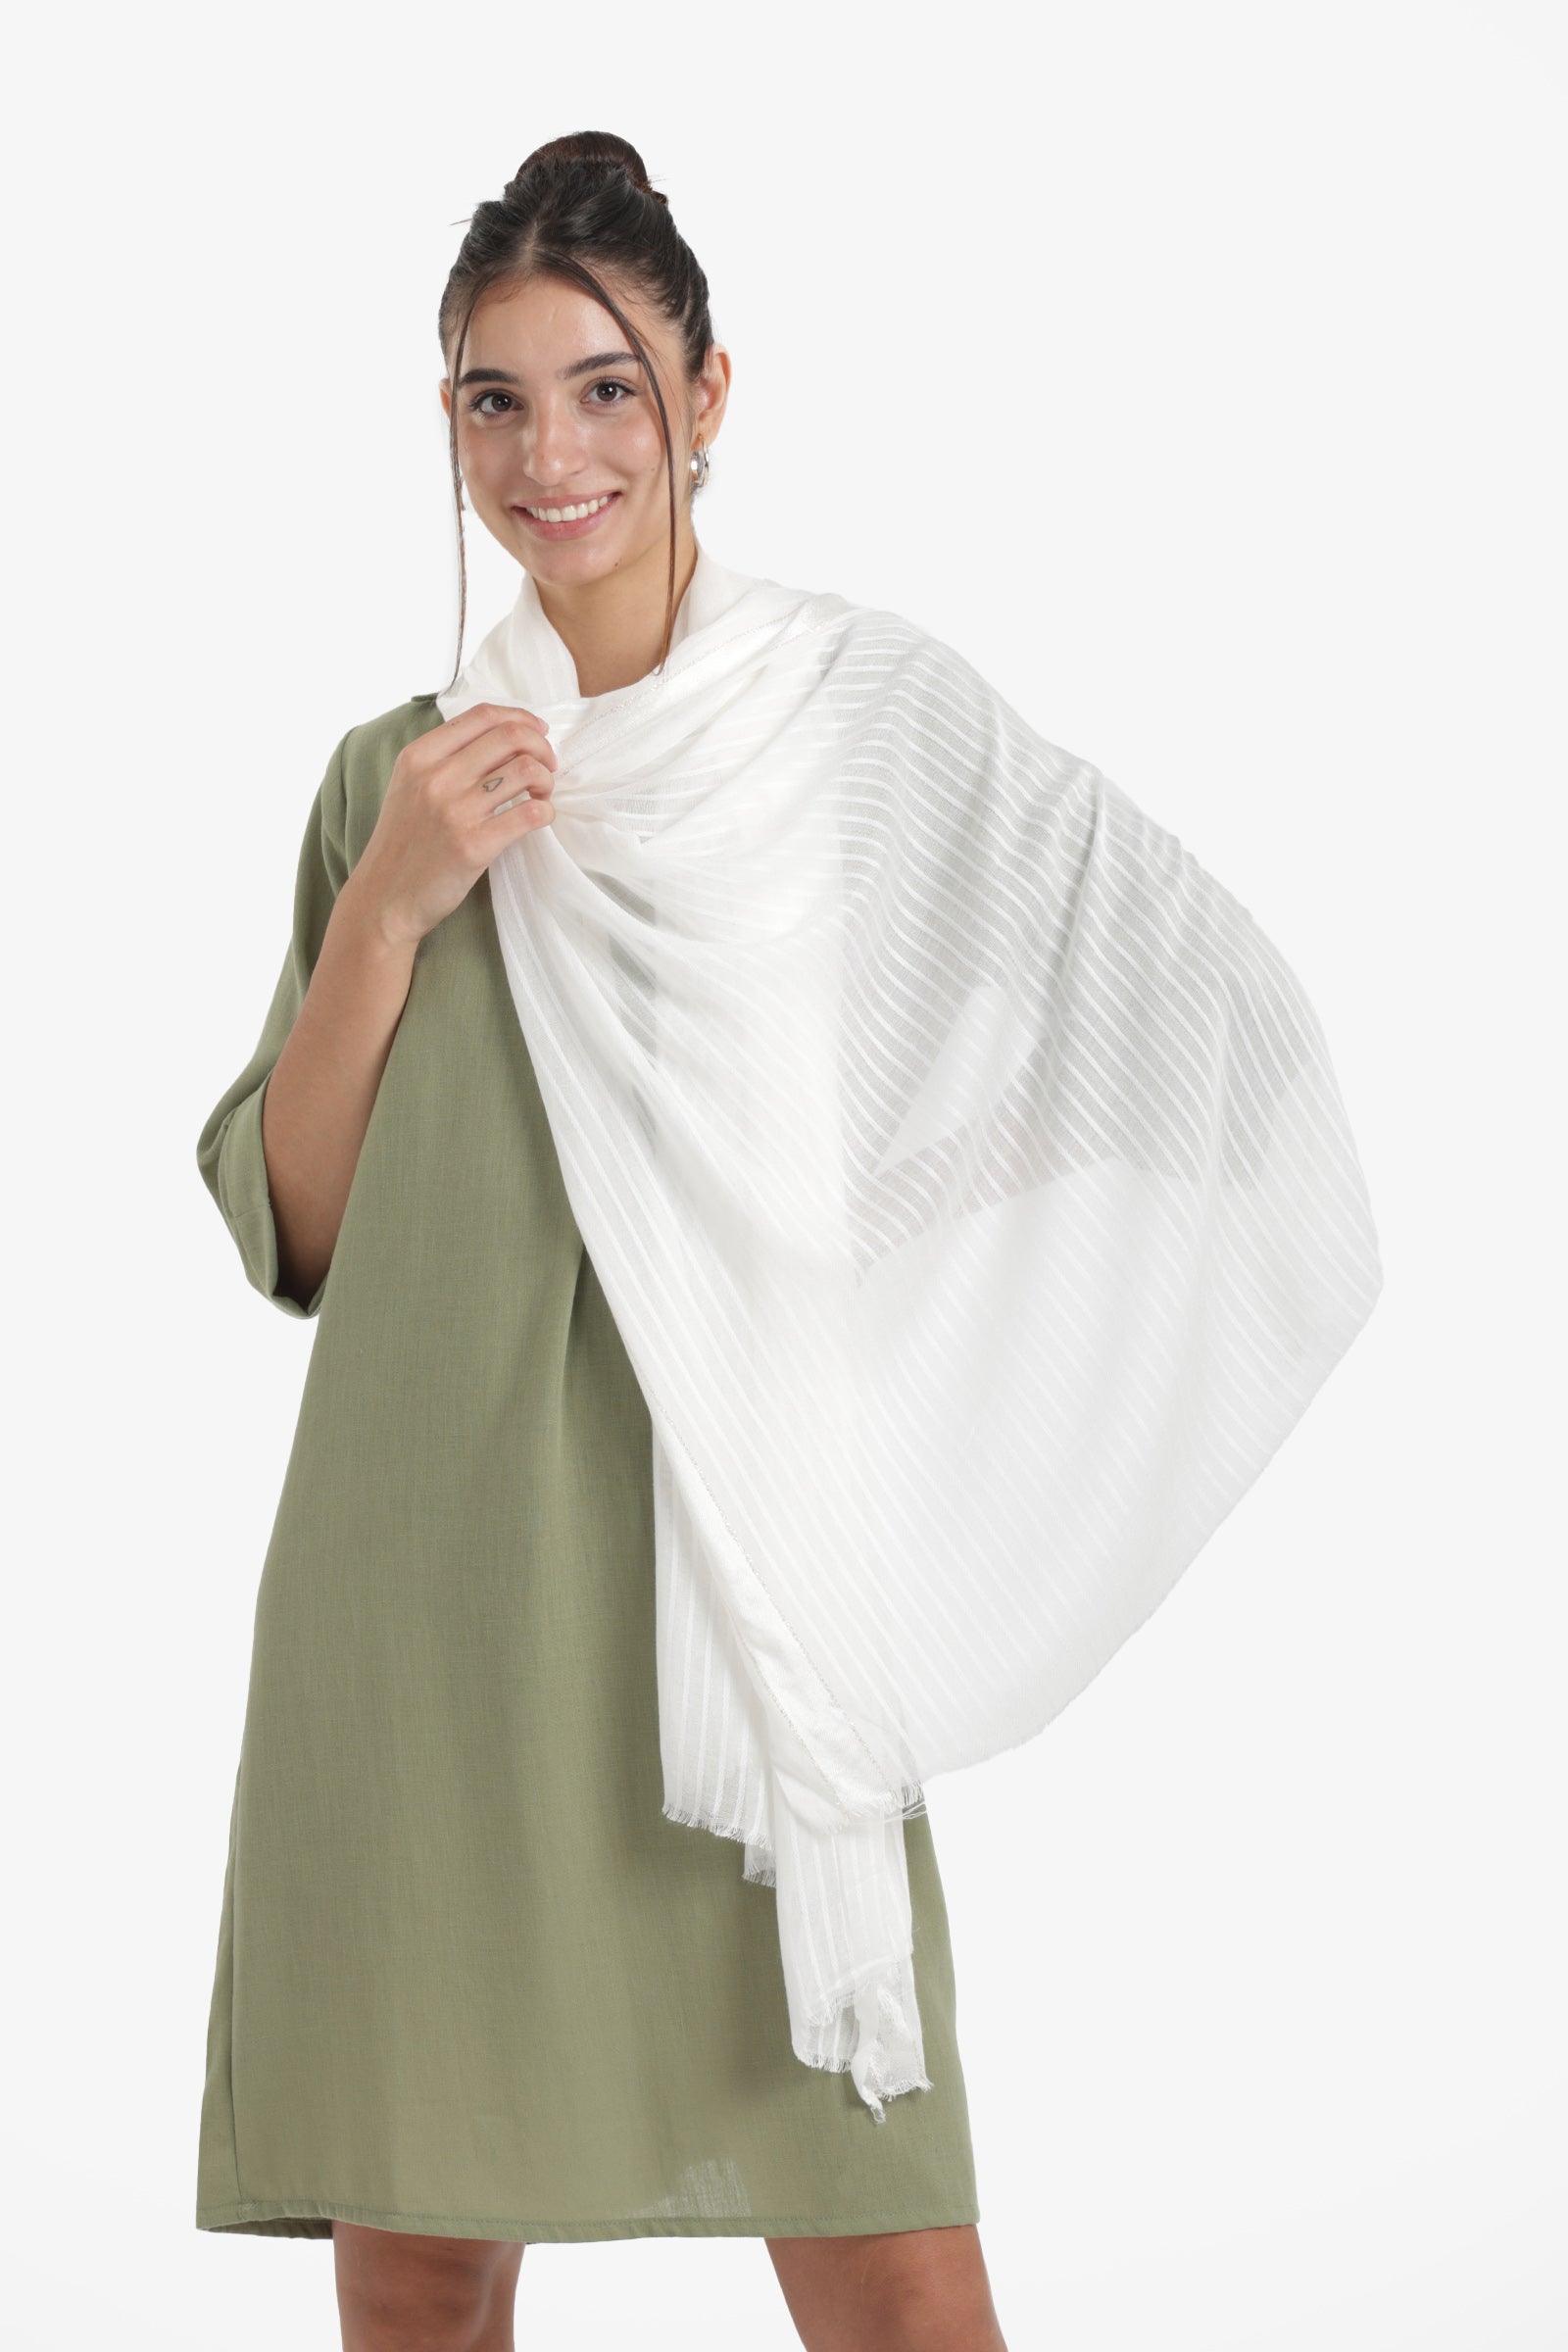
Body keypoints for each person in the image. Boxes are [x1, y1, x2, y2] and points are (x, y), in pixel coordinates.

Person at [194, 132, 1010, 2351]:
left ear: (706, 397)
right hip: (427, 1600)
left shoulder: (833, 746)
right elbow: (302, 1228)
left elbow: (990, 1124)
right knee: (422, 2263)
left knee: (891, 2256)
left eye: (605, 389)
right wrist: (391, 911)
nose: (549, 455)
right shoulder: (396, 778)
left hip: (742, 1592)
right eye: (496, 398)